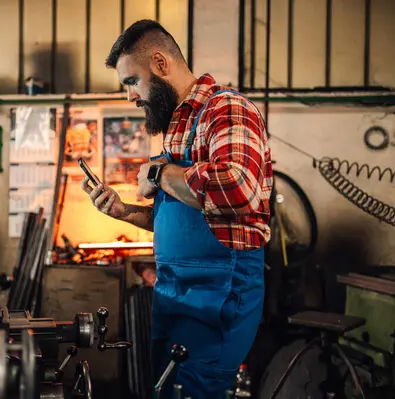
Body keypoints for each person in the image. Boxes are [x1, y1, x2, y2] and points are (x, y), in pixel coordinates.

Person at [81, 20, 273, 399]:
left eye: (133, 82)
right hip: (176, 297)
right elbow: (185, 220)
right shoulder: (175, 127)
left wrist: (156, 170)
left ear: (160, 63)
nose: (131, 98)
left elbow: (238, 190)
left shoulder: (227, 109)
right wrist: (125, 212)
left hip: (216, 299)